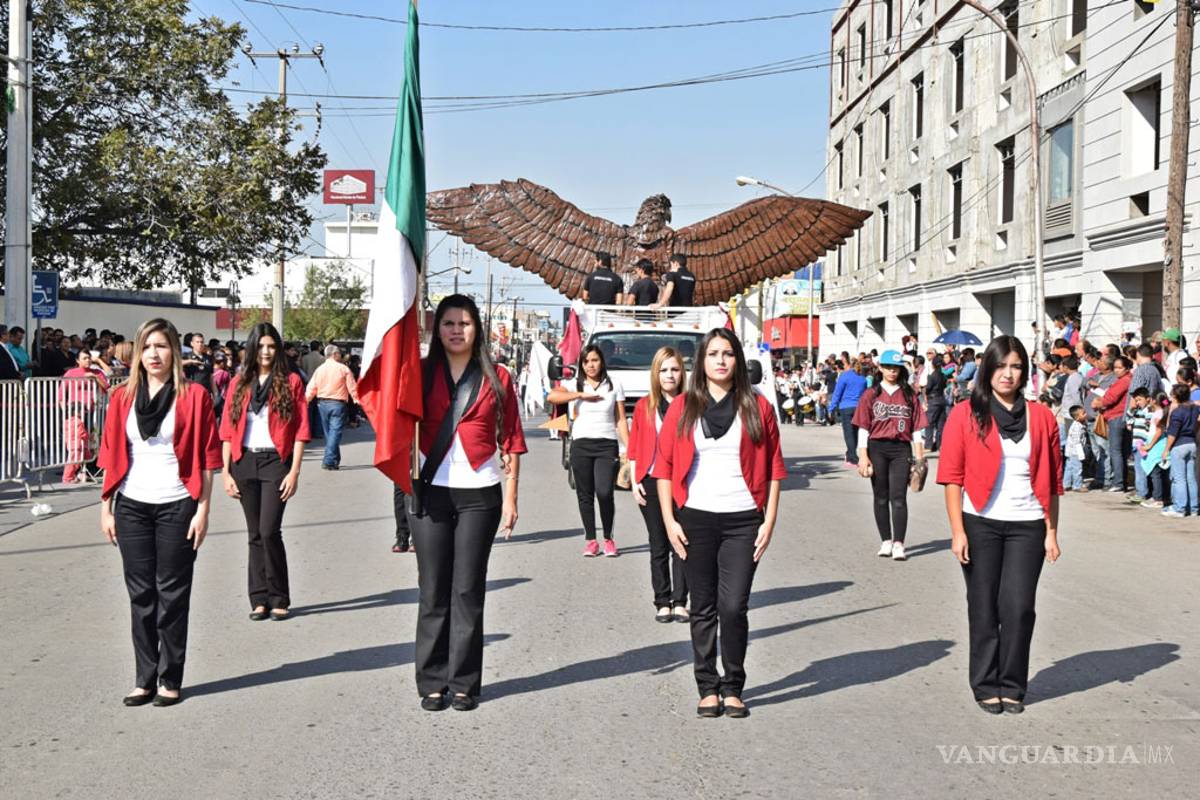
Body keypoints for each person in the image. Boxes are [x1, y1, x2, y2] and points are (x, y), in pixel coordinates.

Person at [654, 327, 785, 718]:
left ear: (738, 360)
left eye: (728, 353)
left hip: (744, 519)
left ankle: (734, 686)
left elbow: (776, 468)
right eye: (713, 354)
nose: (721, 360)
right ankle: (707, 686)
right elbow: (664, 469)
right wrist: (669, 520)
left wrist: (770, 520)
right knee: (703, 606)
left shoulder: (758, 407)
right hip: (695, 518)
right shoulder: (682, 408)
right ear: (702, 361)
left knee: (733, 606)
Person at [96, 318, 222, 707]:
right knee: (141, 594)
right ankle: (144, 677)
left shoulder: (195, 396)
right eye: (147, 346)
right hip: (132, 504)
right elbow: (110, 453)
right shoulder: (121, 397)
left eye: (162, 346)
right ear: (137, 351)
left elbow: (206, 457)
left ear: (174, 352)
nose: (154, 354)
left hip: (177, 503)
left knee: (172, 593)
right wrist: (107, 508)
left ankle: (171, 677)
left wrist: (203, 510)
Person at [410, 295, 525, 712]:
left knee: (468, 589)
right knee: (433, 590)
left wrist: (511, 496)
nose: (456, 330)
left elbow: (511, 437)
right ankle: (432, 681)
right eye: (448, 323)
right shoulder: (418, 374)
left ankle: (464, 683)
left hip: (481, 492)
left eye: (465, 323)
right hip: (431, 489)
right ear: (435, 329)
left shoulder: (499, 377)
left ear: (478, 328)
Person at [937, 335, 1062, 715]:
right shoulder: (965, 414)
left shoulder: (1042, 417)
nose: (1008, 374)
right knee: (984, 605)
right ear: (987, 369)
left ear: (1025, 372)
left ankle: (1013, 683)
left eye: (1016, 366)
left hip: (1028, 524)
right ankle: (985, 683)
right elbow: (952, 476)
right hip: (980, 523)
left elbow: (1053, 480)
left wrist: (1052, 531)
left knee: (1019, 606)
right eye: (1001, 365)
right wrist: (958, 531)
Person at [219, 323, 310, 622]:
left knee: (270, 531)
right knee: (254, 533)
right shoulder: (238, 383)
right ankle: (259, 599)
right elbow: (227, 430)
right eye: (261, 346)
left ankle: (279, 596)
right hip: (243, 463)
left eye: (271, 346)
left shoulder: (292, 381)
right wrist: (226, 472)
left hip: (275, 463)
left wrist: (294, 471)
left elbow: (300, 430)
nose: (266, 352)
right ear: (252, 349)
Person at [548, 345, 629, 555]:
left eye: (594, 360)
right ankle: (591, 540)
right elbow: (552, 397)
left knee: (604, 492)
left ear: (601, 361)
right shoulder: (573, 383)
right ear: (581, 364)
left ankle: (609, 539)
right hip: (581, 445)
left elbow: (620, 419)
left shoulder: (615, 385)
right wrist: (580, 395)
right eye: (586, 361)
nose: (590, 365)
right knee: (585, 495)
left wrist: (630, 447)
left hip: (606, 445)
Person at [627, 346, 689, 623]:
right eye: (664, 370)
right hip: (651, 481)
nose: (669, 375)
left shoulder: (692, 403)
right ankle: (662, 601)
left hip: (684, 481)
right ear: (655, 373)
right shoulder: (644, 405)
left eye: (675, 369)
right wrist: (634, 479)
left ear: (682, 373)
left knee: (683, 542)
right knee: (658, 543)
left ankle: (680, 601)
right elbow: (635, 444)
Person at [853, 350, 927, 561]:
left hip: (900, 448)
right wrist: (862, 456)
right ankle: (886, 540)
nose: (892, 371)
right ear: (880, 368)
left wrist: (919, 458)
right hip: (877, 447)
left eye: (895, 367)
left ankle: (898, 544)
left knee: (899, 498)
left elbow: (916, 429)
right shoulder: (871, 394)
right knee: (880, 496)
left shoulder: (909, 395)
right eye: (887, 367)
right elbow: (863, 428)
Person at [305, 344, 360, 470]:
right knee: (334, 433)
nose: (340, 355)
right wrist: (356, 399)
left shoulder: (320, 369)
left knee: (330, 433)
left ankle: (334, 459)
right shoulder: (343, 369)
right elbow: (352, 386)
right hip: (338, 404)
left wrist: (306, 400)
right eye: (339, 353)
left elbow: (312, 386)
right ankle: (329, 460)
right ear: (334, 354)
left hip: (322, 404)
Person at [60, 349, 110, 483]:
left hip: (93, 412)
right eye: (84, 358)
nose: (87, 360)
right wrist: (65, 411)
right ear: (77, 360)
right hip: (75, 413)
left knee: (92, 440)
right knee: (76, 442)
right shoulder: (71, 373)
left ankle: (87, 468)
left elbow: (107, 387)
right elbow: (61, 394)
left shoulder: (97, 372)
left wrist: (95, 378)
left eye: (89, 358)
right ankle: (73, 471)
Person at [1092, 355, 1132, 492]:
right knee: (1120, 451)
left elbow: (1110, 398)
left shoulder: (1124, 381)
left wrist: (1099, 402)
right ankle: (1121, 481)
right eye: (1115, 367)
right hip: (1119, 417)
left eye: (1120, 368)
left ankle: (1118, 482)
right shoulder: (1124, 380)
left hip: (1117, 417)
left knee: (1115, 451)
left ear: (1127, 368)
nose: (1116, 370)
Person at [1160, 384, 1200, 518]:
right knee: (1191, 478)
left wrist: (1166, 450)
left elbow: (1172, 433)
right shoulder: (1194, 408)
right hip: (1191, 443)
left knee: (1179, 479)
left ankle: (1180, 508)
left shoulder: (1177, 412)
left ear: (1176, 396)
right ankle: (1193, 508)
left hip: (1179, 445)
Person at [830, 359, 868, 466]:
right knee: (855, 432)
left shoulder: (844, 376)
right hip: (859, 407)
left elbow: (837, 393)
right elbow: (865, 395)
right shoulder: (863, 378)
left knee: (848, 433)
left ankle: (852, 457)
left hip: (846, 407)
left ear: (849, 366)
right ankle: (850, 453)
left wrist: (831, 408)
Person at [924, 352, 949, 451]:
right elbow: (945, 386)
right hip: (942, 399)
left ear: (933, 364)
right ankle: (940, 445)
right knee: (941, 424)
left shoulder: (932, 376)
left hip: (933, 399)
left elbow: (928, 389)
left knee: (929, 423)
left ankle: (928, 445)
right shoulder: (943, 376)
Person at [1063, 405, 1088, 492]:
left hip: (1070, 451)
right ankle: (1077, 485)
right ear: (1077, 417)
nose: (1086, 414)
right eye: (1083, 413)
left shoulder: (1078, 425)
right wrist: (1081, 454)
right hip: (1075, 452)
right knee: (1077, 469)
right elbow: (1077, 442)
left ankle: (1066, 484)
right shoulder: (1077, 427)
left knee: (1069, 468)